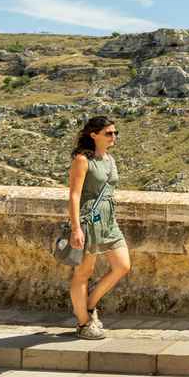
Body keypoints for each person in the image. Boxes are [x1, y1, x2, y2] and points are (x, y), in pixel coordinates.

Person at [67, 116, 131, 340]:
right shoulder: (83, 160)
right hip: (89, 220)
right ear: (93, 134)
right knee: (84, 272)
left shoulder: (110, 159)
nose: (113, 137)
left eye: (115, 133)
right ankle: (84, 323)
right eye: (108, 133)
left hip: (109, 219)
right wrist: (76, 228)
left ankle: (90, 306)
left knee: (122, 265)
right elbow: (74, 195)